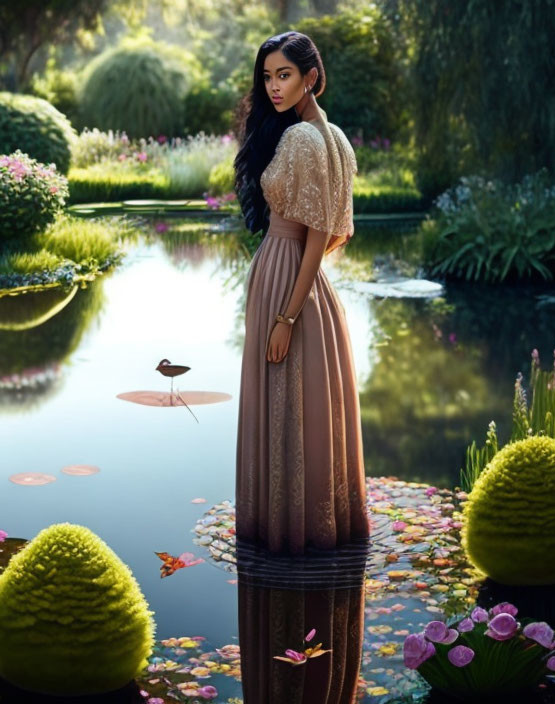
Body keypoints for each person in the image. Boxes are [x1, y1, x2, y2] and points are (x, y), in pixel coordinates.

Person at [233, 31, 369, 554]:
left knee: (286, 405)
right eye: (267, 76)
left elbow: (315, 232)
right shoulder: (334, 136)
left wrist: (287, 315)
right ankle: (321, 524)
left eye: (284, 74)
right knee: (310, 406)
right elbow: (336, 232)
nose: (273, 86)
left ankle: (285, 531)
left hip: (287, 282)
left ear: (311, 76)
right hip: (313, 286)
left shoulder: (300, 140)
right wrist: (306, 292)